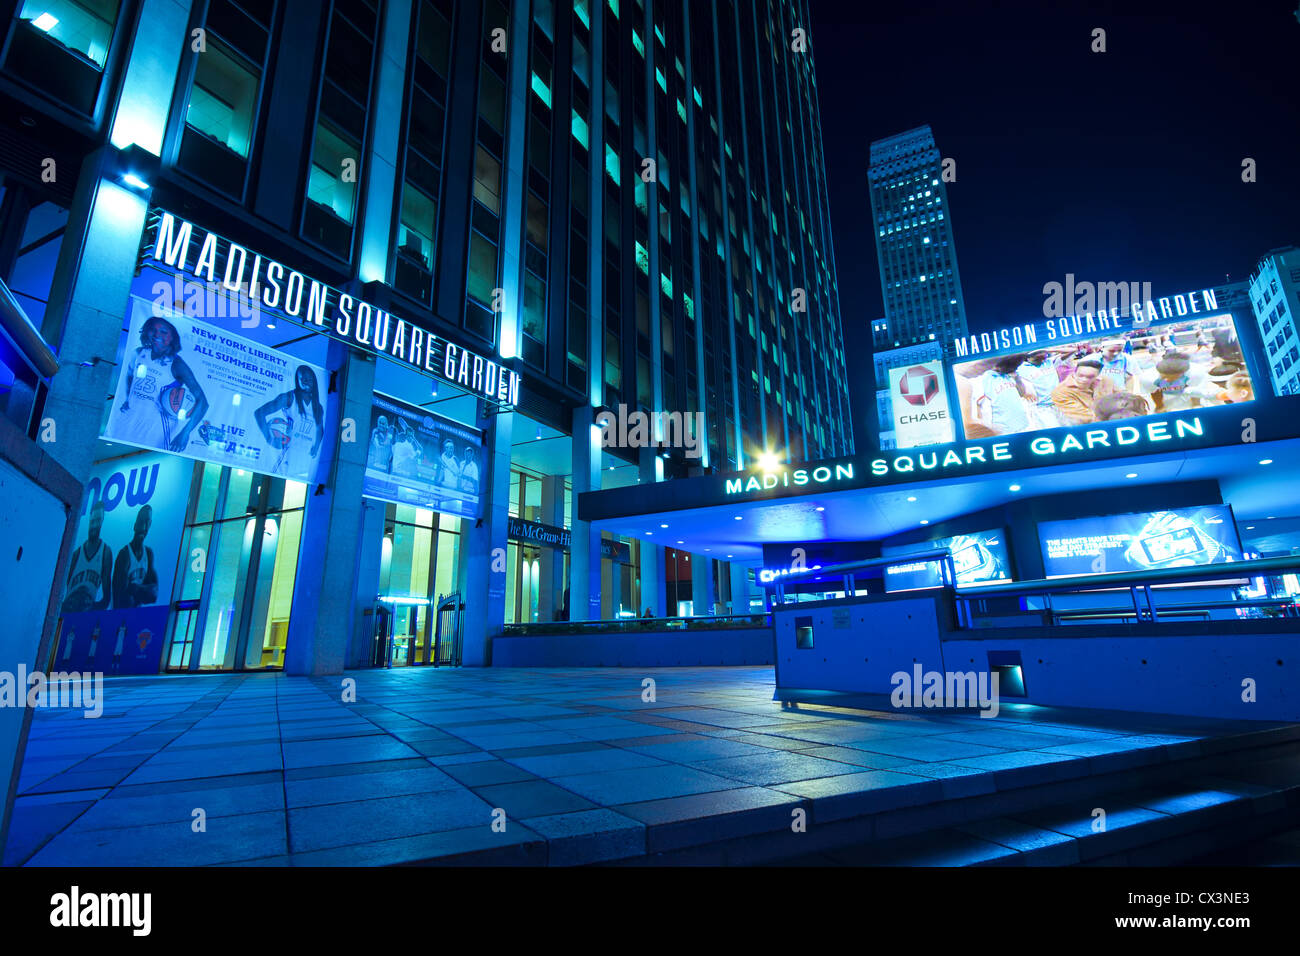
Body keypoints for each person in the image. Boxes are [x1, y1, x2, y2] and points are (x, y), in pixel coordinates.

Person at [112, 314, 209, 452]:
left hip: (157, 428)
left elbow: (203, 402)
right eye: (153, 329)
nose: (157, 334)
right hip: (129, 419)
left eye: (163, 332)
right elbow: (129, 377)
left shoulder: (177, 364)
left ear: (172, 338)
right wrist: (128, 399)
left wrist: (185, 433)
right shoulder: (139, 353)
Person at [255, 365, 324, 479]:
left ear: (314, 381)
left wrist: (316, 446)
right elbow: (259, 413)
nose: (307, 382)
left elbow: (319, 428)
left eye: (310, 379)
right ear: (297, 380)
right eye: (303, 379)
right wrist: (268, 437)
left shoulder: (318, 407)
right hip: (287, 455)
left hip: (305, 459)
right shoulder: (289, 397)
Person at [62, 501, 114, 613]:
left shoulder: (105, 553)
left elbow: (106, 600)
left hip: (86, 615)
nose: (95, 525)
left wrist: (91, 610)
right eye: (93, 521)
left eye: (98, 521)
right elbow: (60, 591)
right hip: (68, 613)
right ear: (90, 520)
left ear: (102, 521)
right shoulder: (76, 555)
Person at [972, 355, 1035, 434]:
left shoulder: (1008, 375)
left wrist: (1017, 377)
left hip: (1024, 426)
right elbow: (978, 409)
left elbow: (1021, 393)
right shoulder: (982, 380)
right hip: (1004, 431)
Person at [112, 505, 158, 609]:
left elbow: (154, 595)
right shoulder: (124, 555)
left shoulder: (148, 554)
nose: (143, 527)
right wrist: (145, 590)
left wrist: (135, 588)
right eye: (141, 522)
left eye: (147, 522)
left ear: (150, 525)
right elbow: (121, 598)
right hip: (120, 615)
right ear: (135, 524)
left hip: (137, 614)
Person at [1051, 359, 1117, 425]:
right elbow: (1084, 416)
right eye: (1080, 375)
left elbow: (1122, 396)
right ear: (1074, 373)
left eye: (1090, 377)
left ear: (1098, 375)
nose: (1084, 379)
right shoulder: (1061, 392)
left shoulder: (1106, 381)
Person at [1141, 354, 1212, 412]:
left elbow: (1195, 388)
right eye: (1165, 378)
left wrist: (1196, 404)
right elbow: (1154, 391)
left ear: (1183, 373)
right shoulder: (1148, 378)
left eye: (1173, 378)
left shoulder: (1196, 372)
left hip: (1189, 383)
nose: (1169, 381)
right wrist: (1160, 406)